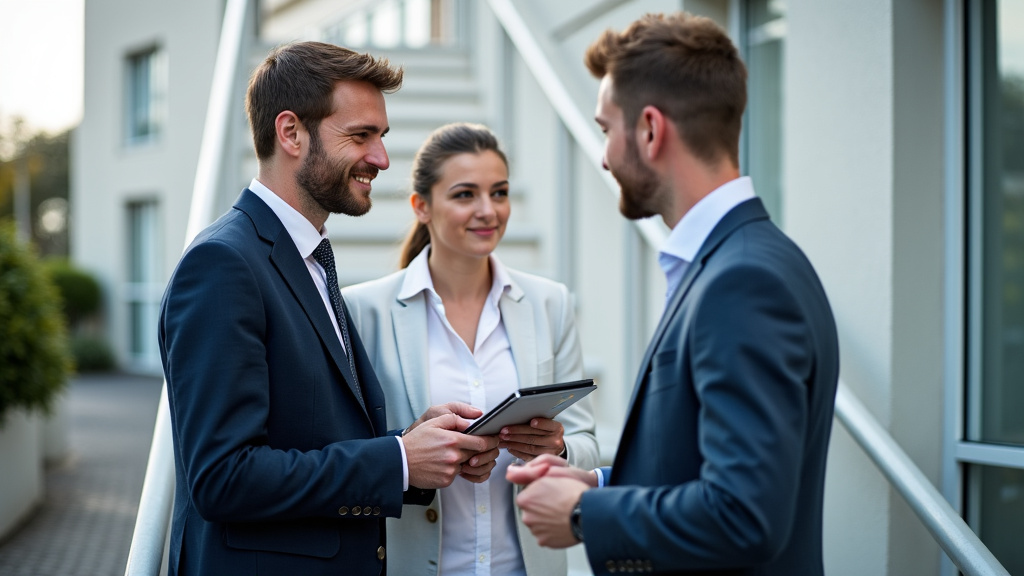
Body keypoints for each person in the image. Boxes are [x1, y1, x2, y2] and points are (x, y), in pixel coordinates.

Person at [507, 12, 840, 576]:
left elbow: (745, 515)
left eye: (606, 128)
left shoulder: (742, 283)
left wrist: (587, 513)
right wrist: (597, 485)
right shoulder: (747, 260)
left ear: (652, 130)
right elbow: (700, 468)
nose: (605, 155)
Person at [157, 42, 499, 576]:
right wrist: (400, 462)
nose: (382, 159)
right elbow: (222, 478)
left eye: (381, 138)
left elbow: (310, 438)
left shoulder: (310, 255)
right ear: (290, 132)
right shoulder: (223, 264)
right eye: (360, 136)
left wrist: (414, 447)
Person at [342, 122, 600, 576]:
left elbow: (586, 444)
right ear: (421, 206)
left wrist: (556, 452)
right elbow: (349, 453)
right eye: (465, 195)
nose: (488, 210)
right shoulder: (364, 311)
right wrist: (414, 452)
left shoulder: (549, 302)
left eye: (499, 193)